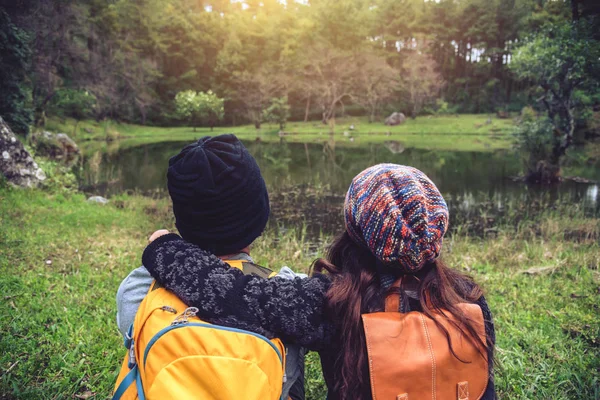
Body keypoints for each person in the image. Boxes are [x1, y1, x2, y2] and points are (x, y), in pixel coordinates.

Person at [142, 163, 496, 400]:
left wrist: (163, 245)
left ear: (356, 229)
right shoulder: (470, 301)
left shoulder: (333, 301)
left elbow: (228, 293)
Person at [115, 134, 306, 400]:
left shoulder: (138, 290)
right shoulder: (287, 289)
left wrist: (165, 248)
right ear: (260, 216)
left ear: (182, 219)